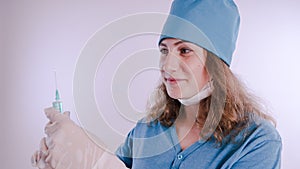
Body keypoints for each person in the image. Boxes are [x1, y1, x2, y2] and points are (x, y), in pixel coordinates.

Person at [32, 0, 282, 168]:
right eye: (164, 50)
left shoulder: (256, 141)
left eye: (184, 50)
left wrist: (96, 161)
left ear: (217, 64)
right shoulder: (146, 131)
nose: (167, 65)